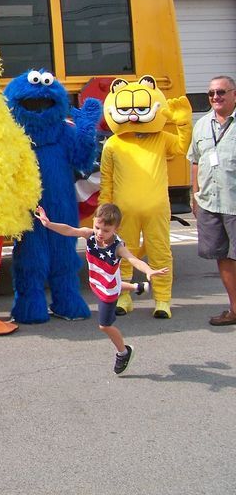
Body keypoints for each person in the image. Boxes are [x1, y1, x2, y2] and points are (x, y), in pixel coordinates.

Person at [36, 203, 167, 375]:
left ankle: (124, 352)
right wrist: (48, 224)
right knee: (115, 283)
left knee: (104, 326)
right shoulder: (90, 235)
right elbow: (69, 230)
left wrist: (148, 270)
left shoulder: (118, 247)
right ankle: (137, 287)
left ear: (116, 229)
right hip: (99, 281)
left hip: (108, 289)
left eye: (105, 230)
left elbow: (133, 259)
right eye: (97, 227)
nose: (99, 233)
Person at [188, 75, 236, 326]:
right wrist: (194, 195)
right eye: (211, 93)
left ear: (234, 94)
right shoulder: (202, 125)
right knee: (223, 256)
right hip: (210, 202)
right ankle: (234, 308)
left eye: (221, 92)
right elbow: (195, 160)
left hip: (234, 203)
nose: (215, 97)